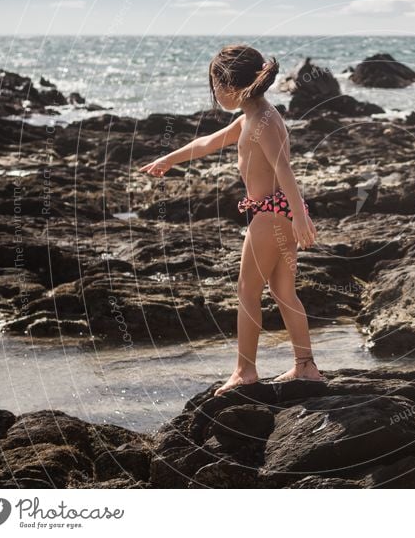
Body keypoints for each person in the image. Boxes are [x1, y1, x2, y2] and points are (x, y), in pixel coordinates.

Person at [139, 44, 324, 395]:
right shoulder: (252, 117)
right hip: (277, 211)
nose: (214, 93)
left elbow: (283, 167)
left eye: (214, 84)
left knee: (246, 290)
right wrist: (169, 158)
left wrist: (300, 218)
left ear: (228, 84)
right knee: (283, 290)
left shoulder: (264, 121)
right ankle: (305, 366)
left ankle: (245, 371)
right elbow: (207, 142)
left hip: (271, 213)